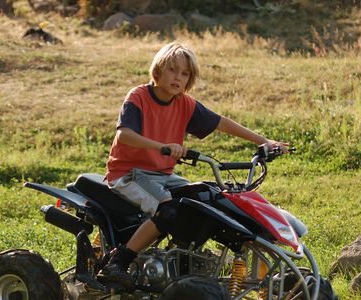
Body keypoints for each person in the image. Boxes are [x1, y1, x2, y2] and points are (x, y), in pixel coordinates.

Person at [98, 42, 289, 287]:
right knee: (168, 210)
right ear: (158, 70)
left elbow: (222, 123)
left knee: (203, 198)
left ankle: (182, 261)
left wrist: (264, 141)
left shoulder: (184, 104)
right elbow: (124, 135)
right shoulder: (138, 97)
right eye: (172, 70)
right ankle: (119, 262)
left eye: (184, 73)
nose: (178, 77)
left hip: (162, 175)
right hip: (129, 174)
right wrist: (162, 146)